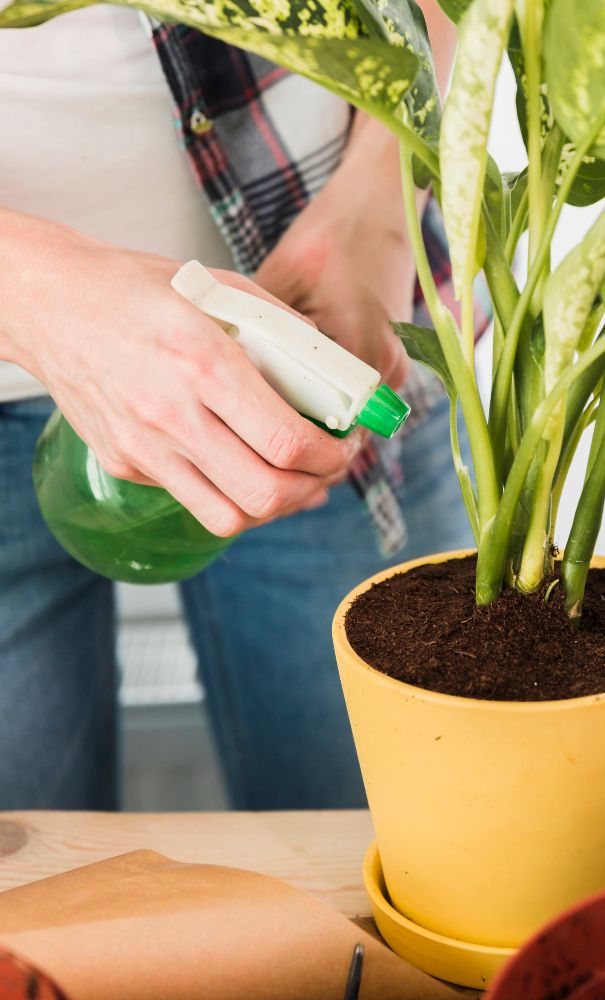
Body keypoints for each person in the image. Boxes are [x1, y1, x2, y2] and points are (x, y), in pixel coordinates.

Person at [0, 4, 489, 809]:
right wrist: (34, 297)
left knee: (392, 824)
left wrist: (380, 202)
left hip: (327, 320)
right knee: (33, 890)